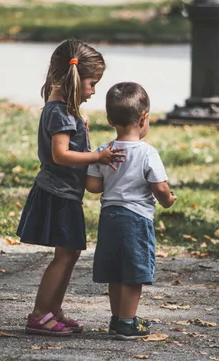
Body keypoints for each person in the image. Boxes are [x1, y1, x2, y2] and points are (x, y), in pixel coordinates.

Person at [16, 39, 126, 336]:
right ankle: (40, 314)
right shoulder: (61, 112)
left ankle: (53, 309)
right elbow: (60, 154)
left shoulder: (63, 109)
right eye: (92, 84)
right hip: (58, 194)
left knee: (70, 253)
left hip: (64, 192)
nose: (93, 91)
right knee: (64, 255)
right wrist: (99, 156)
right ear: (74, 78)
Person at [86, 82, 177, 340]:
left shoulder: (103, 151)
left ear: (110, 119)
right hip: (136, 219)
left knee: (115, 270)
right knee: (134, 271)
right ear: (144, 117)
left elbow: (93, 186)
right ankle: (128, 321)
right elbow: (159, 187)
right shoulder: (148, 153)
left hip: (109, 217)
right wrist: (168, 200)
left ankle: (117, 318)